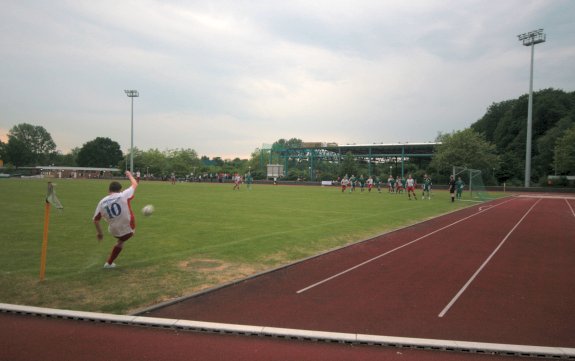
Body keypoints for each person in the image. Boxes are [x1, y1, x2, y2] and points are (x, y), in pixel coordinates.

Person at [93, 170, 139, 268]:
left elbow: (96, 220)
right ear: (120, 189)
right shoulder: (123, 195)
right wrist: (130, 175)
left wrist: (100, 233)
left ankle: (109, 263)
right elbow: (135, 184)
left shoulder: (101, 202)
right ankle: (109, 263)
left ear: (109, 190)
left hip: (113, 230)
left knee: (120, 240)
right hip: (128, 228)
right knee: (122, 241)